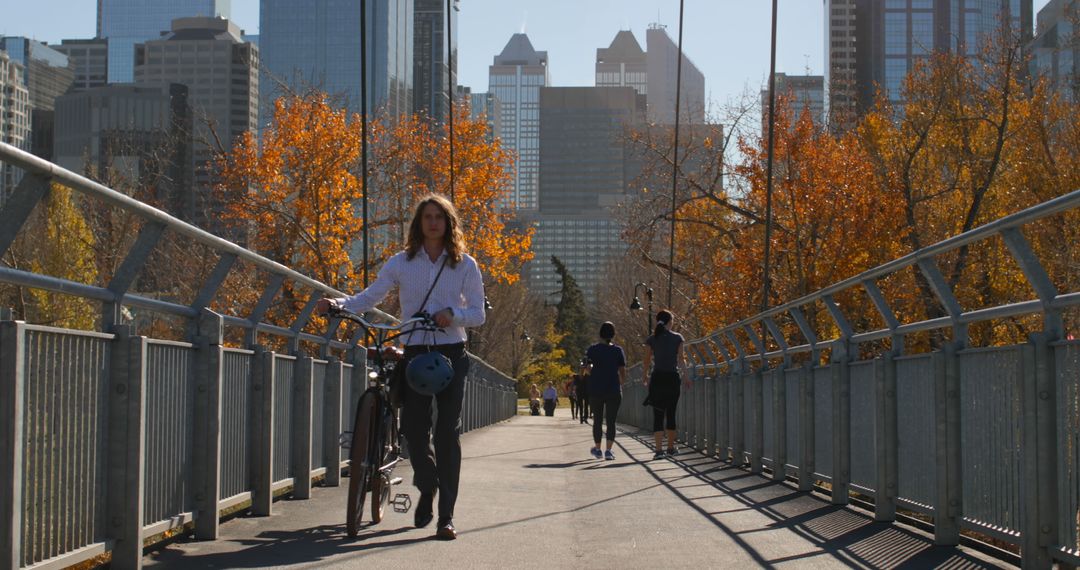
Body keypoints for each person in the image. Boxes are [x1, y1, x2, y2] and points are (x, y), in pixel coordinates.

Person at [316, 194, 484, 541]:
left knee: (447, 433)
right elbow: (370, 297)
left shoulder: (464, 265)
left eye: (439, 216)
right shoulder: (402, 262)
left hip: (451, 352)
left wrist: (453, 315)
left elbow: (479, 314)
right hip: (416, 352)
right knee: (412, 431)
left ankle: (446, 518)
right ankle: (427, 485)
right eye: (427, 217)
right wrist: (339, 304)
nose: (433, 222)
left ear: (449, 223)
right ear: (419, 224)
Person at [642, 310, 688, 460]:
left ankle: (658, 451)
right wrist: (686, 377)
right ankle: (670, 448)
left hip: (657, 379)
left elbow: (647, 360)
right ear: (670, 322)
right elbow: (681, 359)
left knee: (658, 414)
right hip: (672, 379)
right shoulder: (678, 338)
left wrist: (645, 376)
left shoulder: (652, 339)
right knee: (671, 413)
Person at [584, 322, 626, 460]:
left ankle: (597, 449)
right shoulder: (618, 350)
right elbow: (622, 370)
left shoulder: (593, 349)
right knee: (611, 421)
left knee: (597, 420)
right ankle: (608, 450)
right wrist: (621, 383)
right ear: (613, 334)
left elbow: (587, 367)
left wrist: (593, 372)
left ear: (600, 334)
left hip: (596, 388)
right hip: (613, 388)